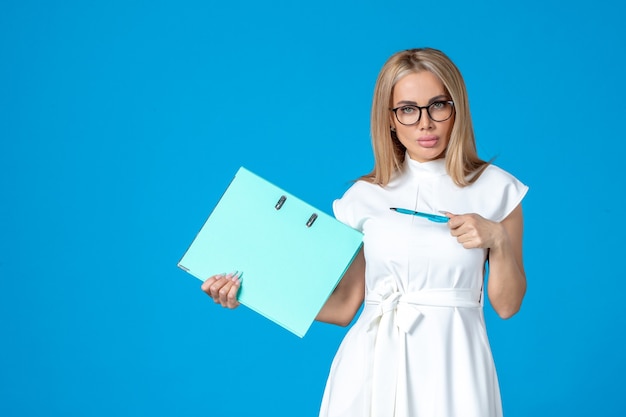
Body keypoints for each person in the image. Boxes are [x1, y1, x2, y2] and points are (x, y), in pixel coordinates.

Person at [202, 47, 528, 417]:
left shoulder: (497, 189)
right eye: (408, 109)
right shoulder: (364, 196)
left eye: (438, 105)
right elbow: (344, 306)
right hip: (370, 365)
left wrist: (497, 240)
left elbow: (508, 304)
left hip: (455, 366)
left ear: (458, 108)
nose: (425, 123)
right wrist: (247, 291)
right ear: (389, 119)